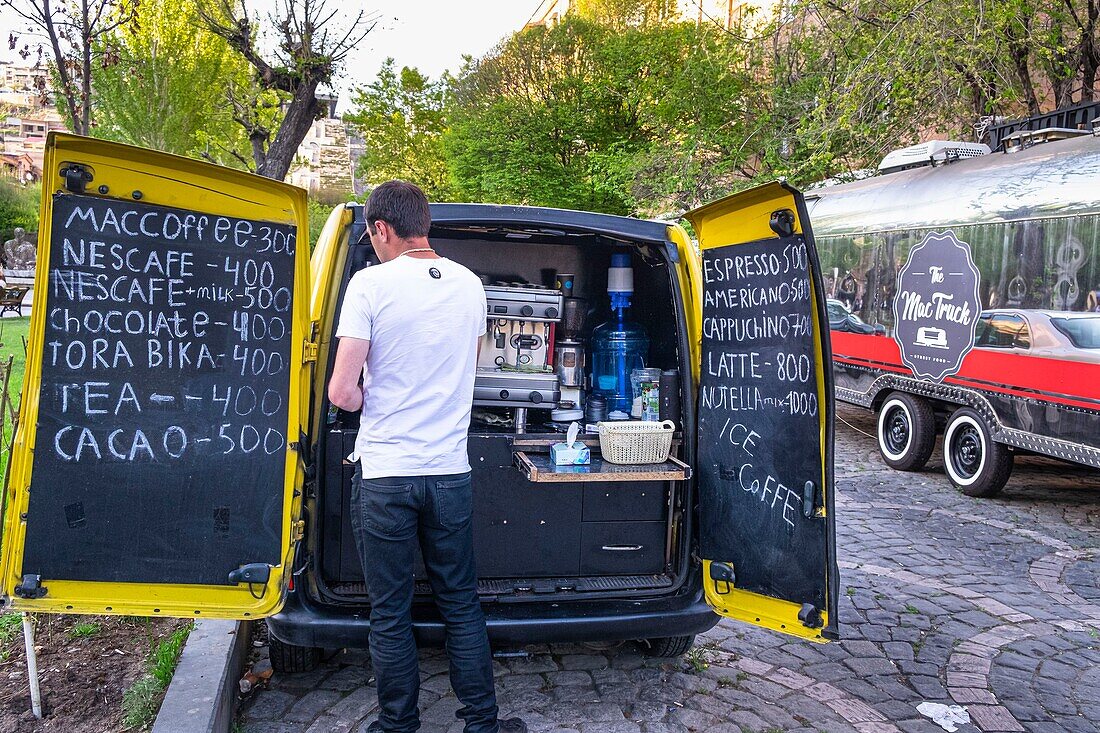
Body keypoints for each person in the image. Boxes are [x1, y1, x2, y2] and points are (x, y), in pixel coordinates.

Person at [327, 181, 526, 733]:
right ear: (426, 224)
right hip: (448, 474)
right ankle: (481, 723)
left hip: (387, 475)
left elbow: (342, 393)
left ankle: (398, 726)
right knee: (460, 603)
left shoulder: (369, 284)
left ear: (381, 229)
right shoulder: (469, 285)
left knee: (390, 613)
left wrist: (377, 399)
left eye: (373, 236)